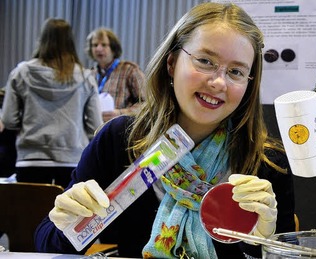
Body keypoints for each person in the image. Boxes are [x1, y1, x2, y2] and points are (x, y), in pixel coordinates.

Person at [34, 3, 295, 258]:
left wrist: (265, 242)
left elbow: (281, 252)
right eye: (205, 61)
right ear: (171, 63)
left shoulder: (266, 163)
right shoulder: (119, 140)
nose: (218, 82)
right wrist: (65, 223)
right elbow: (47, 244)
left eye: (236, 72)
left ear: (249, 84)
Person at [0, 18, 102, 188]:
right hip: (72, 160)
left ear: (42, 39)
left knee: (29, 214)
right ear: (70, 41)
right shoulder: (86, 77)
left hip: (30, 160)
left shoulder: (21, 73)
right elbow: (95, 126)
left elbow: (9, 120)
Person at [86, 28, 145, 122]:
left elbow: (148, 104)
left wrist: (120, 113)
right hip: (94, 131)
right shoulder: (89, 75)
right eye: (95, 45)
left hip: (121, 129)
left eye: (104, 45)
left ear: (113, 48)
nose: (98, 49)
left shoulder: (130, 70)